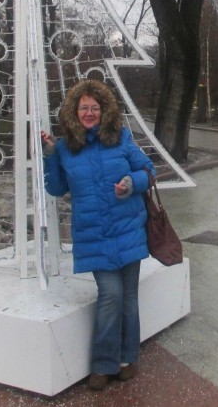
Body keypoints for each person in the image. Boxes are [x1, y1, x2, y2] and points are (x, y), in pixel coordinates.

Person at [40, 79, 154, 391]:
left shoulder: (121, 138)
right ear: (73, 113)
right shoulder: (65, 147)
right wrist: (50, 154)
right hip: (95, 234)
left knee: (128, 297)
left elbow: (148, 171)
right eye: (83, 108)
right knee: (111, 295)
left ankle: (127, 359)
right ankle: (103, 364)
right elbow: (56, 188)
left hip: (129, 228)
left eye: (94, 108)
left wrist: (130, 184)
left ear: (104, 111)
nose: (89, 113)